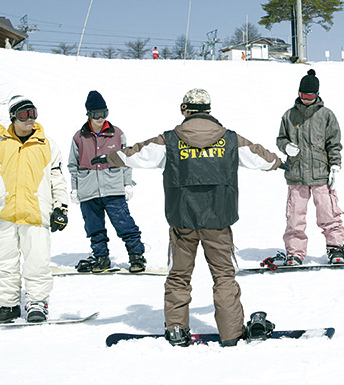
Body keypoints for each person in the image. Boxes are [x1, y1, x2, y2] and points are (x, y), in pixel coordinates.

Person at [92, 88, 281, 347]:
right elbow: (262, 158)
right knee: (224, 277)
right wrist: (279, 163)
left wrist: (110, 157)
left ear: (185, 109)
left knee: (180, 276)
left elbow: (137, 154)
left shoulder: (169, 140)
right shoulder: (231, 140)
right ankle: (231, 333)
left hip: (182, 221)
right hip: (218, 221)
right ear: (209, 110)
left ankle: (178, 330)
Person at [0, 95, 69, 324]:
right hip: (4, 213)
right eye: (23, 115)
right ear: (13, 117)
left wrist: (61, 208)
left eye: (33, 114)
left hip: (36, 213)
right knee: (2, 261)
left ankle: (37, 303)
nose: (30, 119)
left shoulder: (47, 144)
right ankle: (8, 305)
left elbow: (57, 179)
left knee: (37, 261)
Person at [68, 90, 146, 273]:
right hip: (88, 190)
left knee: (124, 224)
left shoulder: (117, 134)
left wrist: (127, 184)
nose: (100, 118)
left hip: (113, 188)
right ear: (88, 114)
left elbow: (127, 160)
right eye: (96, 114)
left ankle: (136, 256)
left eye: (104, 114)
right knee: (94, 228)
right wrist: (75, 189)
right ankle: (101, 258)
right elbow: (73, 165)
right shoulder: (79, 137)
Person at [276, 69, 344, 266]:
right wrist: (286, 146)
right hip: (296, 175)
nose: (306, 99)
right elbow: (280, 138)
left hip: (321, 175)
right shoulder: (289, 116)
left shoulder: (326, 116)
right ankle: (295, 253)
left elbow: (334, 143)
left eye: (310, 96)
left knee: (329, 214)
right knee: (294, 218)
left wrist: (334, 166)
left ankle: (336, 249)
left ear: (317, 95)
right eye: (303, 96)